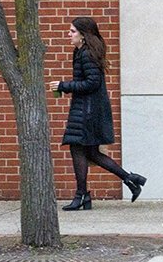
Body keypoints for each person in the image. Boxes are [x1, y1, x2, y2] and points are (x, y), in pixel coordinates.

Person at [48, 17, 146, 210]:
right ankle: (129, 180)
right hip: (87, 108)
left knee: (78, 148)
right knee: (91, 152)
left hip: (88, 111)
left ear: (83, 35)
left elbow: (92, 83)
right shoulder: (82, 52)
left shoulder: (86, 54)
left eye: (73, 31)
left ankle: (82, 195)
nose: (69, 34)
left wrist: (63, 86)